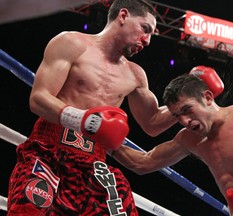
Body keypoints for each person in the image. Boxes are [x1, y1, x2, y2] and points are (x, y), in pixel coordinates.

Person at [7, 0, 178, 215]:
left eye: (152, 34)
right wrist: (85, 120)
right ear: (123, 16)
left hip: (95, 164)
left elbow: (153, 124)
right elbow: (39, 98)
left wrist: (190, 101)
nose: (148, 40)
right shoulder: (71, 43)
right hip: (49, 151)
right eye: (145, 29)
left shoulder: (135, 75)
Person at [111, 72, 233, 216]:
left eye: (187, 110)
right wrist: (107, 142)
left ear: (208, 97)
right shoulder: (189, 139)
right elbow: (144, 163)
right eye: (177, 116)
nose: (185, 121)